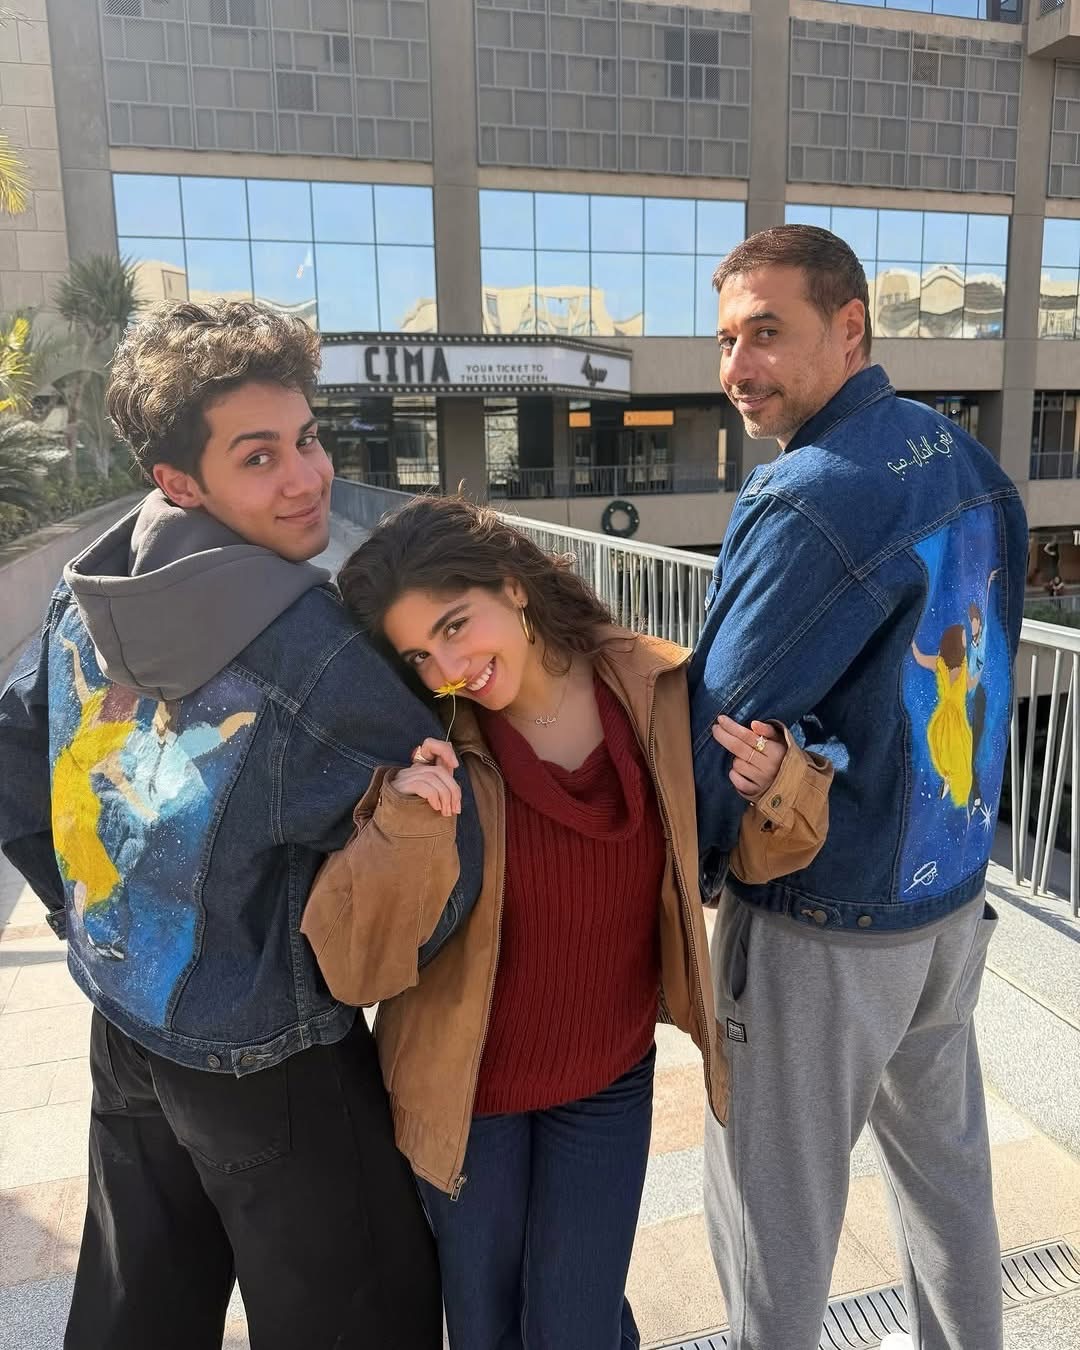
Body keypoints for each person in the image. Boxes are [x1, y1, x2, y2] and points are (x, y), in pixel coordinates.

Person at [0, 300, 483, 1350]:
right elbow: (450, 875)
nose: (307, 478)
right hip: (276, 1064)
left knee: (136, 1309)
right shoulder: (314, 652)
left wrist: (88, 909)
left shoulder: (93, 590)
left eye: (307, 439)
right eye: (259, 457)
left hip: (127, 1019)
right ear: (180, 480)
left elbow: (14, 761)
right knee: (356, 1322)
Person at [300, 494, 833, 1350]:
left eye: (455, 625)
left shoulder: (656, 689)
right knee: (485, 1328)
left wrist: (780, 785)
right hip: (467, 1094)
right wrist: (400, 819)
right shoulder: (425, 735)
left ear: (512, 585)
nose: (449, 667)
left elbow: (753, 859)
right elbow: (356, 965)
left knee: (574, 1324)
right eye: (420, 654)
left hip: (608, 1078)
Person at [688, 225, 1028, 1350]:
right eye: (727, 339)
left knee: (773, 1224)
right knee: (948, 1183)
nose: (739, 367)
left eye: (766, 333)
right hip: (949, 897)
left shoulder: (810, 497)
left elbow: (717, 719)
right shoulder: (963, 457)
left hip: (826, 921)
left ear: (849, 327)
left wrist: (690, 873)